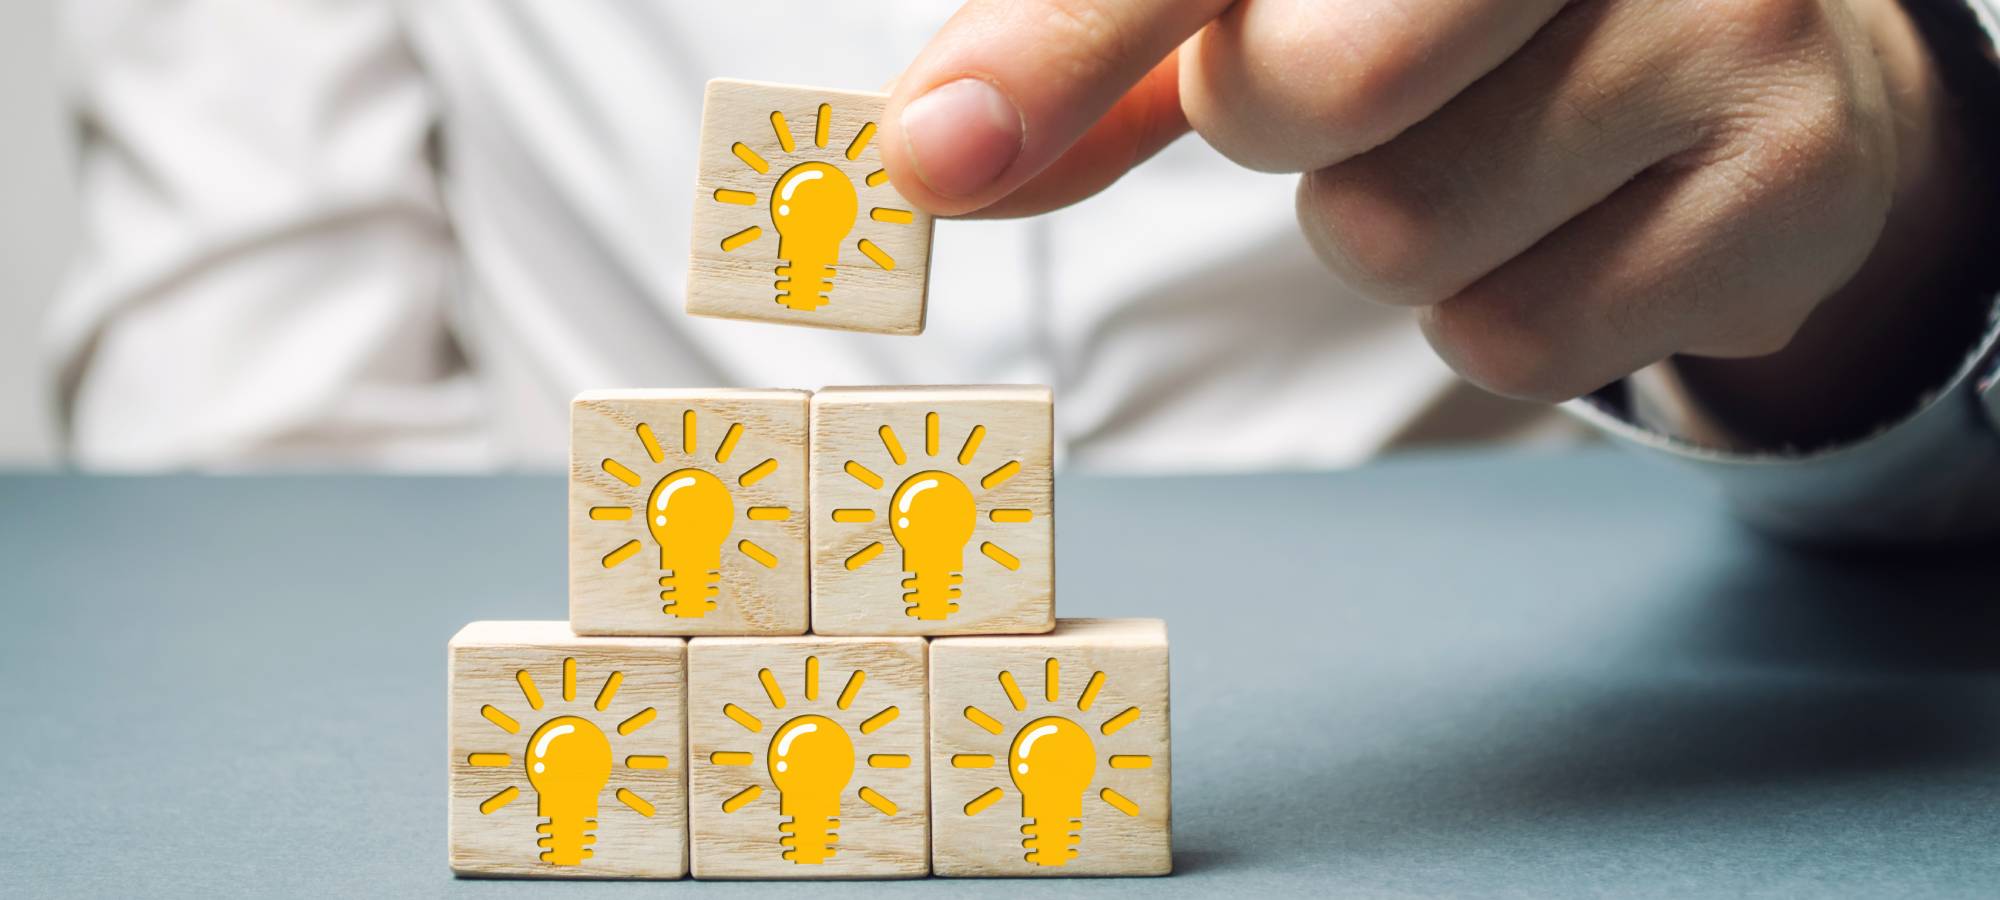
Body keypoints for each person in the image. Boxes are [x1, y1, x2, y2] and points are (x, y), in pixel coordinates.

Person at [47, 1, 2000, 541]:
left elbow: (1836, 197)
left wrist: (1908, 191)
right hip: (649, 694)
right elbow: (248, 447)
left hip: (1557, 707)